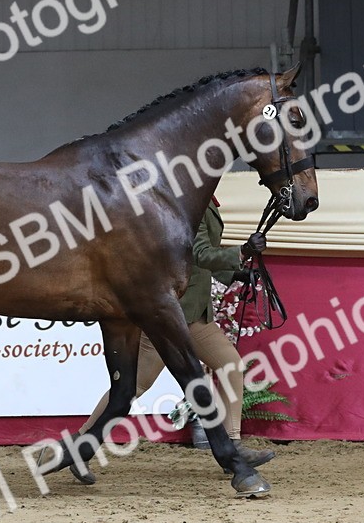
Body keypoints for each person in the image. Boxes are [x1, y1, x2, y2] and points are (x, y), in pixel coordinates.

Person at [71, 195, 276, 483]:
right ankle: (78, 447)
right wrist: (241, 252)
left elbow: (196, 257)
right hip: (174, 316)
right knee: (134, 387)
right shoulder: (188, 201)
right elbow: (201, 252)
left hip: (192, 312)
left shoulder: (200, 199)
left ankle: (233, 444)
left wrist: (235, 274)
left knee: (230, 366)